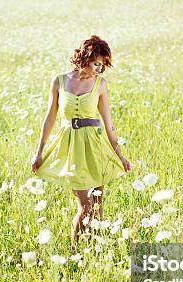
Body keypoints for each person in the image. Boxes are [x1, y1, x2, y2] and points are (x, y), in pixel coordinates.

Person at [31, 35, 132, 253]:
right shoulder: (59, 81)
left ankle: (95, 251)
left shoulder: (100, 84)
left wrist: (120, 154)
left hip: (96, 147)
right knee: (85, 207)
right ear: (84, 57)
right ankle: (74, 252)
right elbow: (49, 118)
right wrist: (38, 152)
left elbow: (109, 124)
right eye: (97, 63)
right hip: (71, 149)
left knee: (97, 206)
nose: (99, 69)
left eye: (103, 65)